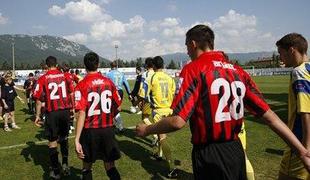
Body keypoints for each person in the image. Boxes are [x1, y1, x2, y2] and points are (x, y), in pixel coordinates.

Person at [136, 24, 310, 180]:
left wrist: (147, 129)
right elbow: (270, 116)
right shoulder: (238, 71)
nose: (187, 51)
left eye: (187, 46)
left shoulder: (193, 69)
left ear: (193, 44)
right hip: (236, 150)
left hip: (209, 153)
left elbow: (177, 121)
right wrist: (302, 151)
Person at [74, 52, 122, 180]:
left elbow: (81, 112)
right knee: (110, 165)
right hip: (108, 129)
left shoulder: (81, 85)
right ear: (98, 64)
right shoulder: (109, 82)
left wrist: (76, 139)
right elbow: (118, 106)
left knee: (87, 166)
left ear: (85, 66)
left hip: (90, 131)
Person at [33, 56, 74, 179]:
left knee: (52, 142)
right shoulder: (65, 75)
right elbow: (72, 92)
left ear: (46, 66)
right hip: (65, 111)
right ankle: (66, 164)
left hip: (52, 113)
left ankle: (56, 171)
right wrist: (72, 108)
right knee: (64, 138)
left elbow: (38, 98)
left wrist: (37, 115)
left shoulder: (43, 78)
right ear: (56, 65)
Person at [276, 33, 310, 180]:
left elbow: (306, 112)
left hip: (299, 143)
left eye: (280, 53)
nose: (280, 58)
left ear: (292, 50)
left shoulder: (299, 72)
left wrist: (305, 149)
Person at [147, 56, 177, 178]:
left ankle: (171, 168)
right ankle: (159, 155)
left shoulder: (152, 77)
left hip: (158, 111)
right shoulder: (170, 78)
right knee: (161, 136)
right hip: (169, 110)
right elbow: (174, 92)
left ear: (153, 66)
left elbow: (146, 93)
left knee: (162, 138)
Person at [106, 61, 131, 133]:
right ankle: (117, 125)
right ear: (116, 66)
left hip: (112, 92)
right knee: (115, 109)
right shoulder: (121, 73)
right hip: (120, 92)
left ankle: (119, 126)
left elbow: (106, 84)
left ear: (111, 66)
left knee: (112, 109)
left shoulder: (108, 74)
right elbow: (126, 84)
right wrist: (129, 93)